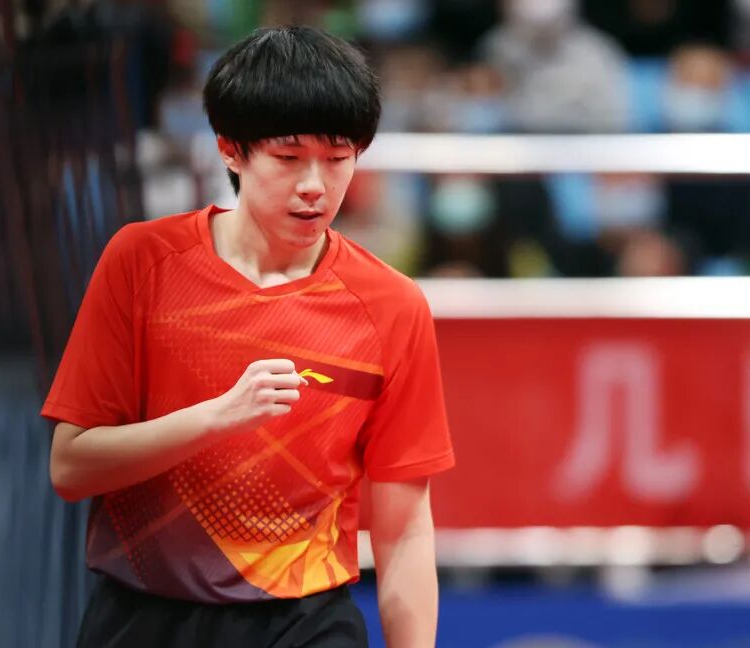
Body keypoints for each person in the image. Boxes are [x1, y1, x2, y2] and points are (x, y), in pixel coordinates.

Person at [42, 26, 454, 648]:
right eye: (289, 158)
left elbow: (405, 529)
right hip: (143, 617)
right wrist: (216, 418)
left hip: (304, 624)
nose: (315, 184)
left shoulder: (391, 306)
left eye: (338, 158)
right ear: (231, 151)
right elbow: (71, 467)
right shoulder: (142, 263)